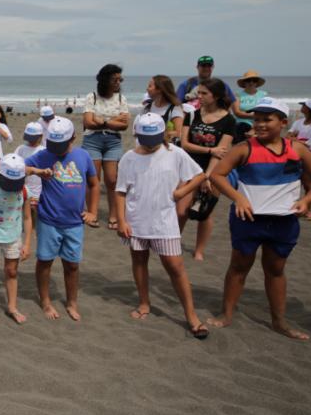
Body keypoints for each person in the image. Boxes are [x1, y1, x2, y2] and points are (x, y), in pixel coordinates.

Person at [206, 98, 311, 340]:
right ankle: (226, 314)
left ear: (283, 122)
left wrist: (307, 200)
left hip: (283, 221)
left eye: (267, 119)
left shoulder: (297, 150)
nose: (260, 124)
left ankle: (279, 321)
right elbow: (217, 175)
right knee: (239, 266)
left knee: (276, 269)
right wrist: (238, 198)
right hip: (248, 219)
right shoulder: (244, 148)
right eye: (256, 119)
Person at [115, 113, 210, 339]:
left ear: (163, 135)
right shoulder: (128, 157)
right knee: (139, 260)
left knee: (175, 266)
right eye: (145, 140)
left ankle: (191, 316)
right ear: (137, 134)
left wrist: (181, 192)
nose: (150, 145)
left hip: (165, 221)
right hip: (136, 219)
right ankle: (144, 302)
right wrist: (121, 220)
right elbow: (120, 191)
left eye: (154, 139)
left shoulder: (174, 153)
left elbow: (198, 175)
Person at [23, 116, 96, 321]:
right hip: (48, 220)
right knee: (45, 261)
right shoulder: (45, 155)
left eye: (60, 144)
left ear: (73, 138)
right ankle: (45, 301)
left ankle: (72, 302)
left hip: (74, 222)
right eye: (52, 144)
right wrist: (38, 171)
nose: (56, 149)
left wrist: (93, 211)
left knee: (72, 264)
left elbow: (94, 183)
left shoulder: (83, 156)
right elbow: (20, 168)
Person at [179, 78, 236, 260]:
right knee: (181, 210)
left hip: (214, 170)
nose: (199, 96)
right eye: (199, 93)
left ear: (216, 96)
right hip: (188, 167)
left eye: (204, 93)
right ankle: (173, 242)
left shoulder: (228, 120)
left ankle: (199, 250)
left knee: (204, 212)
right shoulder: (193, 114)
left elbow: (221, 152)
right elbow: (185, 144)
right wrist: (210, 149)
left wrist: (207, 177)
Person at [0, 154, 33, 325]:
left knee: (12, 272)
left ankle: (12, 307)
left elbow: (27, 218)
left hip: (14, 238)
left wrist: (27, 243)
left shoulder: (24, 191)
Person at [81, 64, 130, 231]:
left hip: (113, 141)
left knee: (112, 180)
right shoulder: (92, 97)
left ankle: (114, 216)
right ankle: (92, 213)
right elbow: (88, 122)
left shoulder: (121, 99)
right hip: (92, 140)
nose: (118, 82)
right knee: (93, 179)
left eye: (120, 79)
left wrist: (102, 121)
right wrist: (112, 120)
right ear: (105, 79)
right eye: (114, 79)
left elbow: (124, 125)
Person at [14, 122, 45, 219]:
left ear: (40, 137)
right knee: (24, 212)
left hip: (39, 188)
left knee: (35, 212)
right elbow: (15, 164)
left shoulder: (43, 150)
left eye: (33, 138)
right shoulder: (21, 149)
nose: (31, 141)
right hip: (24, 187)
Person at [143, 75, 185, 145]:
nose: (147, 89)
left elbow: (179, 133)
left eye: (150, 86)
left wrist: (155, 134)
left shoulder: (174, 109)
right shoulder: (148, 107)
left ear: (159, 89)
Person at [233, 70, 268, 141]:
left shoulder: (264, 95)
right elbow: (237, 113)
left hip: (259, 122)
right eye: (248, 80)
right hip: (242, 123)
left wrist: (255, 123)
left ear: (257, 83)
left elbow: (266, 110)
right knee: (241, 127)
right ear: (244, 82)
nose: (251, 82)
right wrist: (253, 115)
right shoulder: (237, 95)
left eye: (254, 80)